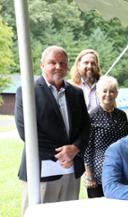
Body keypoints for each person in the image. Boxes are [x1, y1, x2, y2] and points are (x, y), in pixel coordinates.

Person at [15, 45, 90, 215]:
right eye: (52, 62)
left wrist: (75, 148)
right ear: (42, 65)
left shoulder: (76, 93)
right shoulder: (27, 91)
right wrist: (62, 154)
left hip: (71, 170)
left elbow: (86, 126)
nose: (58, 66)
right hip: (41, 171)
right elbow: (25, 131)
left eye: (62, 63)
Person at [84, 75, 128, 198]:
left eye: (112, 91)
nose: (108, 94)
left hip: (120, 171)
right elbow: (87, 149)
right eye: (104, 91)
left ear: (116, 94)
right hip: (98, 175)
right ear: (98, 93)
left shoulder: (122, 115)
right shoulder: (91, 116)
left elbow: (126, 143)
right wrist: (89, 176)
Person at [70, 49, 102, 113]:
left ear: (97, 66)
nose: (89, 66)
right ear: (78, 65)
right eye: (86, 63)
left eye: (93, 63)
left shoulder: (103, 86)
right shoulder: (70, 86)